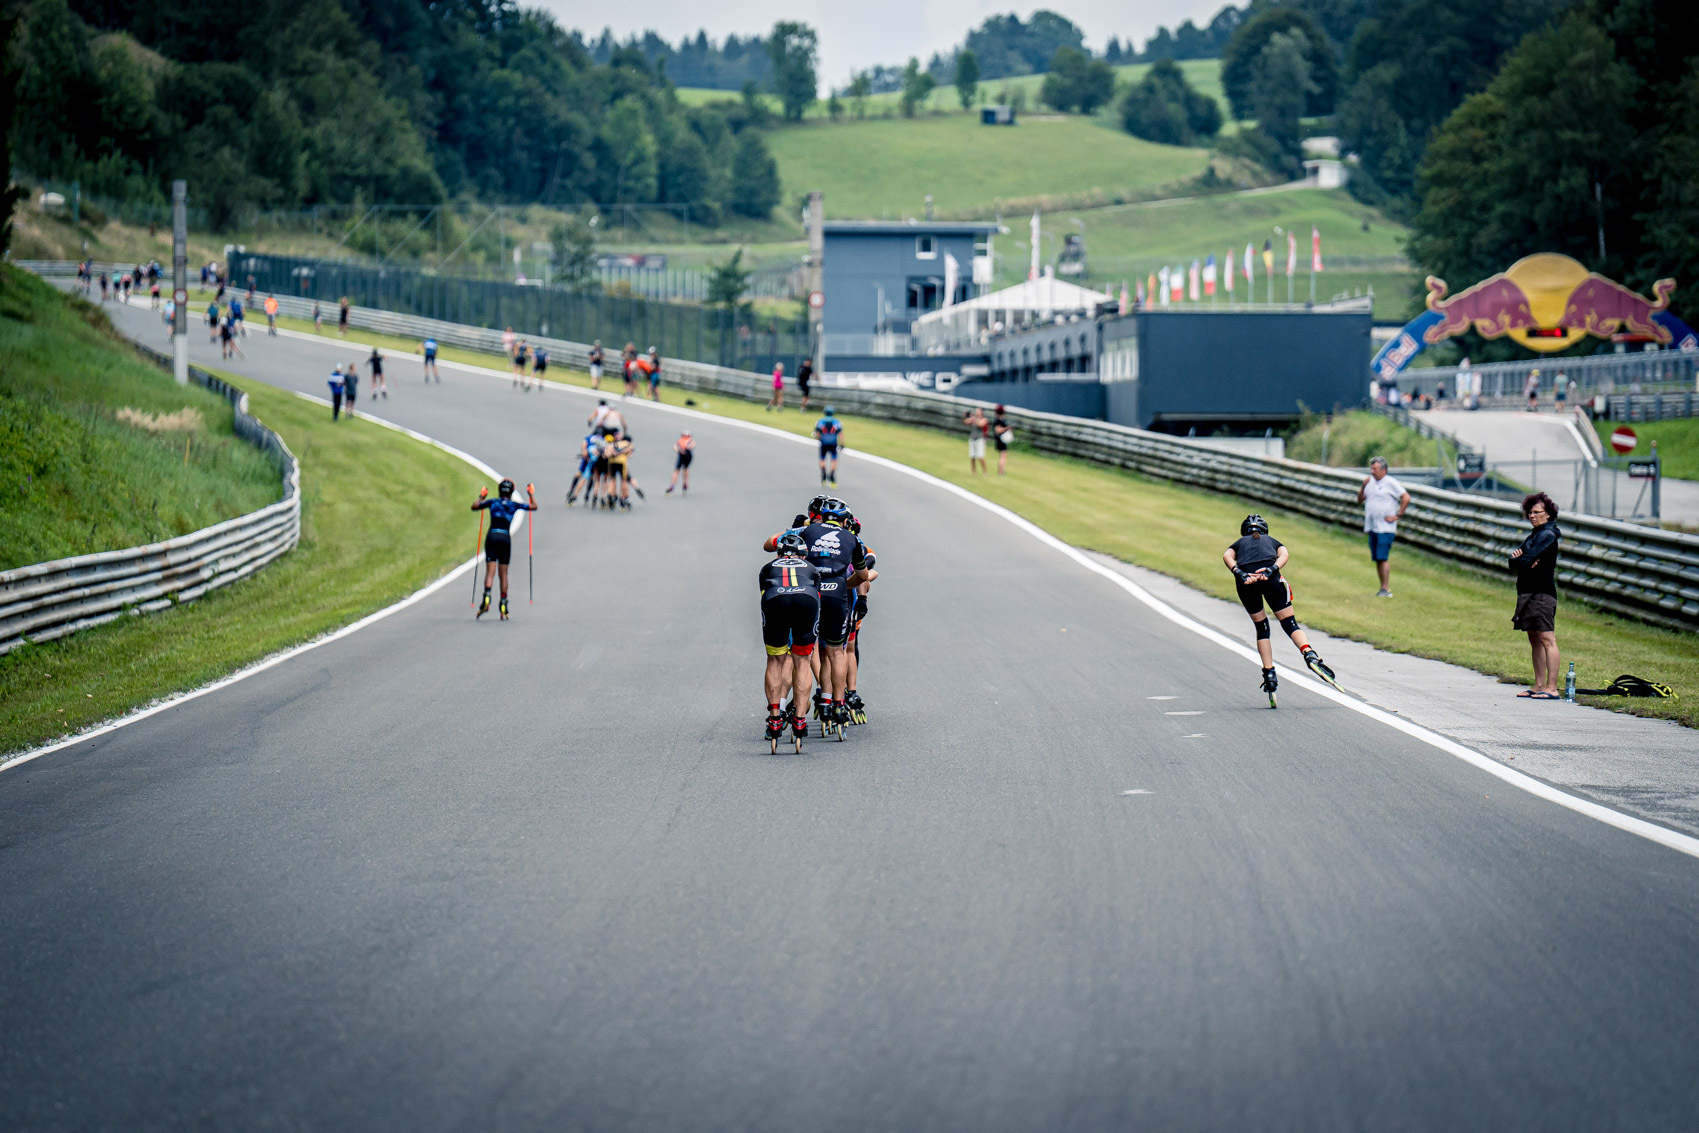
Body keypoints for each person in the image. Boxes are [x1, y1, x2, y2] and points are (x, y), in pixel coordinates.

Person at [763, 499, 876, 732]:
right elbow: (866, 573)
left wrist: (790, 531)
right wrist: (847, 587)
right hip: (839, 592)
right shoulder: (853, 537)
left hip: (806, 591)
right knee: (837, 650)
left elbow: (768, 545)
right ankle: (834, 701)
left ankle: (783, 707)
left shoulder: (805, 530)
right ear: (846, 521)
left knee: (798, 652)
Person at [1222, 514, 1338, 705]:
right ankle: (1309, 654)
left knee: (1262, 628)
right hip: (1270, 576)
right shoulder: (1272, 541)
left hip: (1246, 579)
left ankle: (1269, 674)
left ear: (1244, 532)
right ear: (1264, 531)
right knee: (1289, 624)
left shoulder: (1238, 543)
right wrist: (1271, 569)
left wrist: (1240, 573)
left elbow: (1227, 556)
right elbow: (1285, 554)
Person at [758, 531, 821, 748]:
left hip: (775, 599)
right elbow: (817, 597)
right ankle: (800, 720)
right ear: (803, 555)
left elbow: (763, 595)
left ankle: (775, 719)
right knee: (802, 660)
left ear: (779, 554)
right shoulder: (811, 568)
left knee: (775, 660)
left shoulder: (767, 567)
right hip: (807, 599)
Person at [1508, 492, 1563, 699]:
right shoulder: (1534, 535)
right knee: (1534, 638)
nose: (1532, 516)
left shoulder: (1547, 535)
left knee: (1547, 638)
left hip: (1542, 593)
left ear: (1548, 514)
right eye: (1529, 512)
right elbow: (1513, 561)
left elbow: (1523, 559)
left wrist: (1524, 560)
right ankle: (1539, 685)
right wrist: (1523, 561)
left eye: (1537, 512)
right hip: (1527, 591)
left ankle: (1552, 687)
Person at [471, 479, 536, 621]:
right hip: (505, 537)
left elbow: (475, 506)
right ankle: (503, 604)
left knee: (490, 571)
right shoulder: (514, 505)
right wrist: (531, 494)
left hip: (492, 535)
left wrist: (482, 496)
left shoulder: (493, 502)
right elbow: (533, 507)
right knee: (503, 573)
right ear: (512, 492)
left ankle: (486, 597)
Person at [1357, 456, 1409, 598]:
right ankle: (1382, 588)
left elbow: (1406, 497)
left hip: (1386, 527)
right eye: (1371, 468)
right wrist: (1362, 487)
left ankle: (1385, 588)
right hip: (1373, 526)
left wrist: (1398, 515)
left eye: (1375, 469)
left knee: (1382, 557)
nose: (1372, 471)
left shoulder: (1390, 483)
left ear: (1384, 470)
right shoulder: (1370, 482)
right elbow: (1359, 500)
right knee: (1378, 558)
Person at [814, 407, 843, 486]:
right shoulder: (837, 422)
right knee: (834, 459)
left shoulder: (820, 421)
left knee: (822, 458)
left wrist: (818, 438)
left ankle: (823, 474)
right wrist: (842, 444)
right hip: (833, 443)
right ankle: (832, 475)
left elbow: (817, 434)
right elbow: (840, 434)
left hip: (824, 442)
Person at [963, 406, 990, 474]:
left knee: (980, 456)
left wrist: (974, 418)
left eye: (978, 411)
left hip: (980, 439)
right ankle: (974, 471)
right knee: (972, 456)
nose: (976, 412)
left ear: (981, 412)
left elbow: (980, 424)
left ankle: (985, 471)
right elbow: (966, 422)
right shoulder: (974, 418)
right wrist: (965, 416)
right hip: (972, 438)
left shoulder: (984, 419)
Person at [992, 404, 1012, 475]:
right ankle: (1001, 471)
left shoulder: (1001, 419)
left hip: (1002, 439)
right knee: (1003, 456)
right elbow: (998, 430)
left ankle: (1000, 471)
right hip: (1001, 439)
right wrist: (1007, 428)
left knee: (1002, 456)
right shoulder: (997, 420)